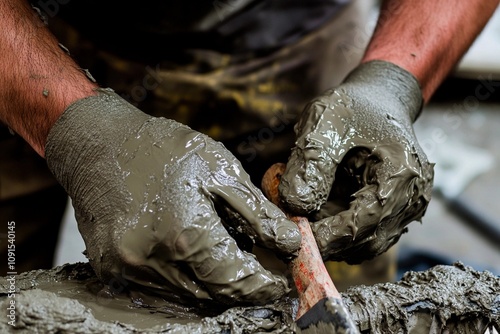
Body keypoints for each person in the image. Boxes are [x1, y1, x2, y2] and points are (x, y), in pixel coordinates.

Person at [0, 0, 497, 305]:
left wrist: (391, 82)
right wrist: (77, 132)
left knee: (343, 260)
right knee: (21, 291)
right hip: (29, 38)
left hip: (288, 42)